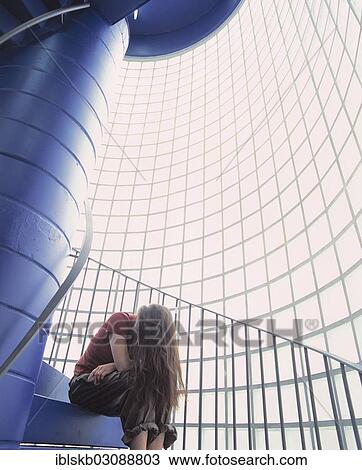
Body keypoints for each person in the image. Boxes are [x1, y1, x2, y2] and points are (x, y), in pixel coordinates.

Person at [68, 304, 184, 450]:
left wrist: (112, 366)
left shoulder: (147, 346)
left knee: (161, 388)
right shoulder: (120, 321)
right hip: (84, 386)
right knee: (141, 381)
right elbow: (123, 366)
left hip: (113, 392)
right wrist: (116, 365)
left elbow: (127, 367)